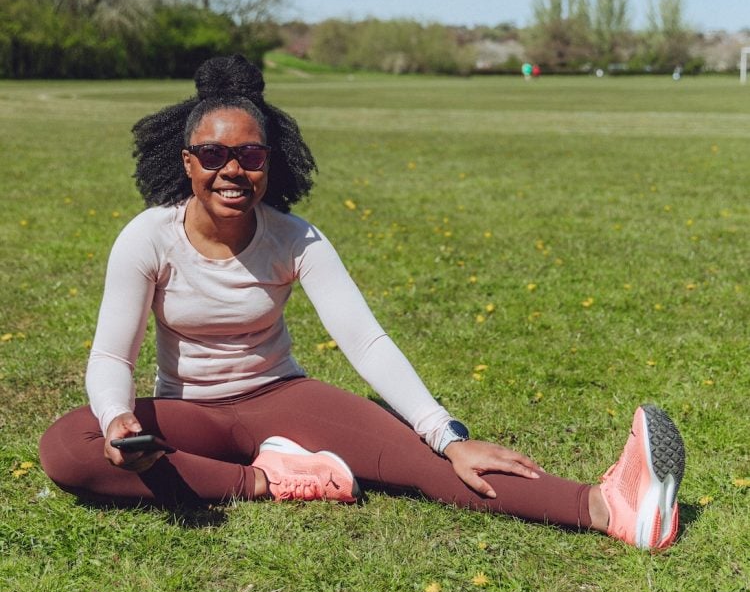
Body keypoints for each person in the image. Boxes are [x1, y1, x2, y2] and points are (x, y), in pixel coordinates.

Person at [39, 55, 686, 550]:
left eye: (249, 154)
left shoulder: (296, 239)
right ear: (187, 162)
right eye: (213, 154)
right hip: (188, 410)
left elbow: (366, 341)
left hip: (281, 396)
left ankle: (611, 508)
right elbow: (109, 353)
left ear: (271, 162)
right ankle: (268, 480)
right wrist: (120, 420)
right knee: (71, 446)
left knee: (423, 462)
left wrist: (446, 433)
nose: (231, 169)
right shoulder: (146, 238)